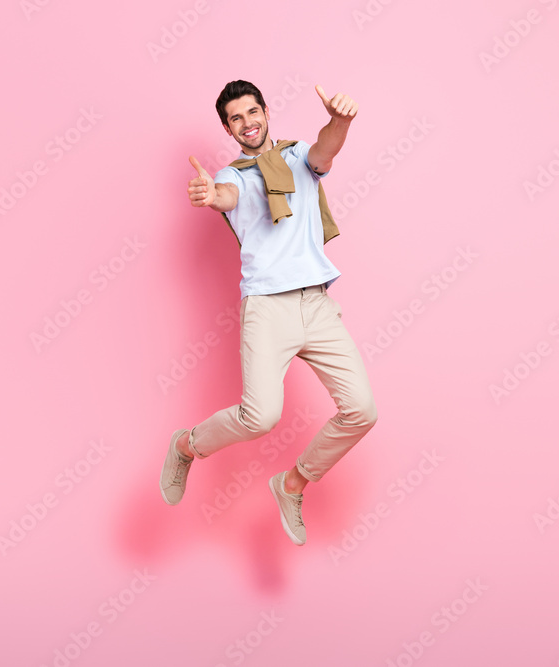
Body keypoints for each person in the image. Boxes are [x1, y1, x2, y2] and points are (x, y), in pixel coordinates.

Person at [161, 79, 377, 546]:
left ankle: (292, 484)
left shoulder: (299, 157)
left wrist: (340, 121)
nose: (247, 122)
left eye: (252, 112)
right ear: (228, 127)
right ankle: (186, 445)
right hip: (267, 309)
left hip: (316, 304)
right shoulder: (234, 176)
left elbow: (325, 151)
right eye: (236, 118)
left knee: (361, 410)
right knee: (260, 418)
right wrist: (208, 194)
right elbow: (225, 197)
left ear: (265, 112)